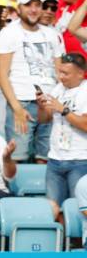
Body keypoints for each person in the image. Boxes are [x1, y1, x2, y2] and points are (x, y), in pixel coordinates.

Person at [0, 0, 63, 162]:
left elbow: (59, 72)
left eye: (37, 5)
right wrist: (16, 108)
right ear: (19, 8)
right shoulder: (8, 33)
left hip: (49, 103)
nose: (33, 9)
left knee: (47, 158)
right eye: (28, 5)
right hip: (22, 102)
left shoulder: (52, 34)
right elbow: (2, 74)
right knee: (17, 158)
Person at [36, 52, 87, 218]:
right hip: (55, 160)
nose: (61, 76)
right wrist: (42, 107)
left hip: (79, 160)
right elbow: (44, 120)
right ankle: (59, 242)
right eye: (60, 72)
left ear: (80, 73)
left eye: (66, 73)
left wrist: (63, 109)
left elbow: (85, 124)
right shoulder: (58, 89)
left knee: (78, 210)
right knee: (52, 209)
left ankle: (78, 243)